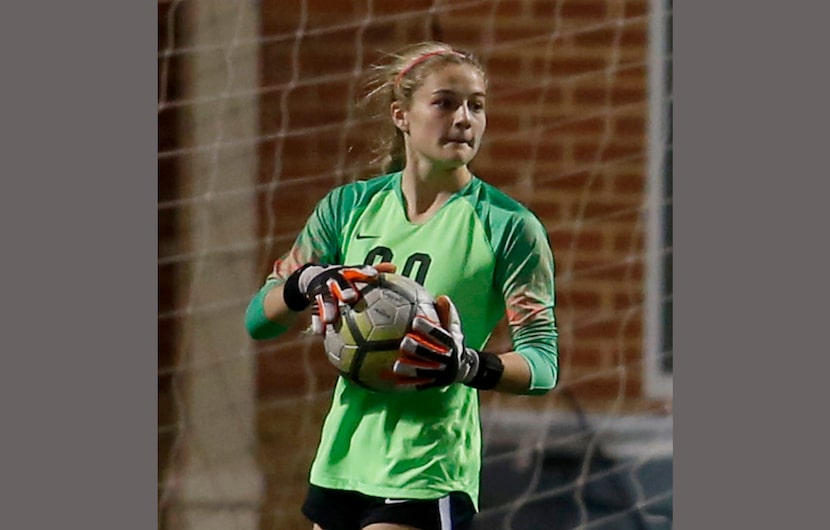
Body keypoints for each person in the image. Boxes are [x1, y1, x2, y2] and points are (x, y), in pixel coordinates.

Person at [245, 41, 559, 530]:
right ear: (401, 115)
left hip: (429, 465)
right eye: (445, 102)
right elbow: (257, 321)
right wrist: (306, 281)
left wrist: (468, 364)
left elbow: (542, 364)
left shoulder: (509, 227)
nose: (464, 118)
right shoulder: (347, 208)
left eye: (476, 105)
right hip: (343, 457)